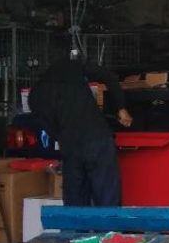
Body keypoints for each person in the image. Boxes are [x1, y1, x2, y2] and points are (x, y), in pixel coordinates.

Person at [29, 55, 132, 206]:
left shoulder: (35, 96)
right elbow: (108, 76)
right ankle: (107, 222)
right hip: (97, 138)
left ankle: (77, 222)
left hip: (70, 146)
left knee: (75, 204)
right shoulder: (71, 67)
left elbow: (50, 130)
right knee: (107, 201)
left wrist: (64, 136)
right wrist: (120, 107)